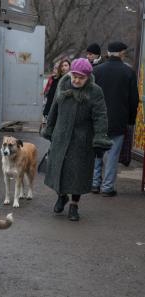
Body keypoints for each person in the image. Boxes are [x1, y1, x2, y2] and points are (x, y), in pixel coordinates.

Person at [42, 58, 112, 221]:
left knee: (77, 174)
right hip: (60, 136)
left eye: (81, 77)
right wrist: (49, 128)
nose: (76, 80)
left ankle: (74, 205)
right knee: (58, 169)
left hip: (82, 140)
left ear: (88, 77)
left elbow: (101, 116)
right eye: (74, 76)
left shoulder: (95, 91)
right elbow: (54, 108)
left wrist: (100, 137)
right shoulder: (63, 85)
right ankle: (61, 196)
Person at [91, 42, 139, 196]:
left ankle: (94, 183)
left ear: (108, 53)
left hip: (97, 119)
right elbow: (134, 100)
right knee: (112, 155)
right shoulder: (129, 72)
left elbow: (89, 96)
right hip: (119, 120)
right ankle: (107, 187)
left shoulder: (96, 70)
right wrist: (131, 120)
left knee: (97, 151)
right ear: (122, 53)